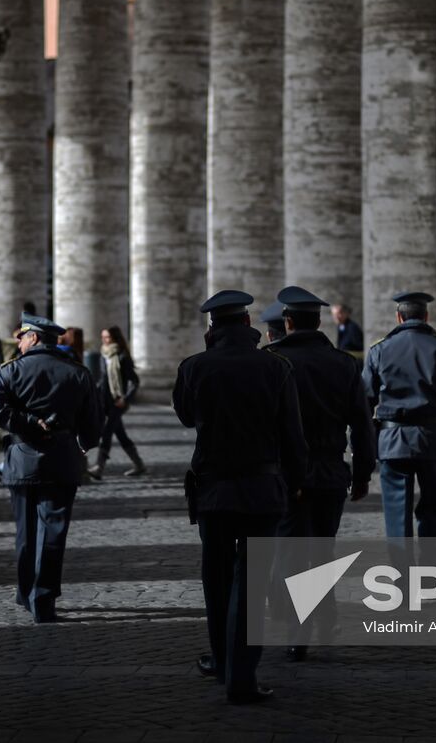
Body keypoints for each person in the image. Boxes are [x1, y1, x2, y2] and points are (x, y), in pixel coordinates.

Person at [172, 290, 306, 705]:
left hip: (212, 489)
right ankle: (242, 677)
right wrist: (294, 483)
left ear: (211, 328)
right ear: (248, 324)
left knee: (215, 577)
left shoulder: (193, 367)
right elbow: (293, 437)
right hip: (263, 490)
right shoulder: (277, 367)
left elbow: (184, 415)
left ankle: (220, 659)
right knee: (251, 583)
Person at [266, 286, 376, 661]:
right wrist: (362, 473)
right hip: (330, 469)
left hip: (284, 473)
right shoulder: (343, 363)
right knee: (322, 548)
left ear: (288, 322)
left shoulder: (272, 360)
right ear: (319, 323)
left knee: (291, 551)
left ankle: (300, 632)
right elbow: (362, 425)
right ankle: (325, 617)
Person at [0, 312, 104, 623]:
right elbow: (93, 424)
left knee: (25, 532)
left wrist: (25, 424)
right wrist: (81, 447)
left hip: (22, 458)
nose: (19, 343)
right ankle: (43, 600)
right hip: (63, 459)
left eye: (22, 337)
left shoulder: (11, 371)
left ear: (33, 337)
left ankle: (25, 593)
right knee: (53, 532)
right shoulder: (78, 373)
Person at [361, 291, 436, 539]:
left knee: (396, 512)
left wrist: (364, 445)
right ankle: (429, 574)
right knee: (433, 508)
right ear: (426, 316)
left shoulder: (379, 351)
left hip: (392, 441)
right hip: (432, 438)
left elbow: (364, 403)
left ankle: (402, 576)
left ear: (398, 318)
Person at [89, 325, 145, 479]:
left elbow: (134, 381)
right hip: (104, 401)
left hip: (118, 401)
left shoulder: (122, 357)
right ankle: (139, 464)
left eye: (107, 337)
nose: (104, 340)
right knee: (120, 434)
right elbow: (103, 378)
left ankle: (99, 467)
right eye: (103, 337)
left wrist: (125, 399)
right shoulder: (103, 355)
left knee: (107, 432)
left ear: (115, 338)